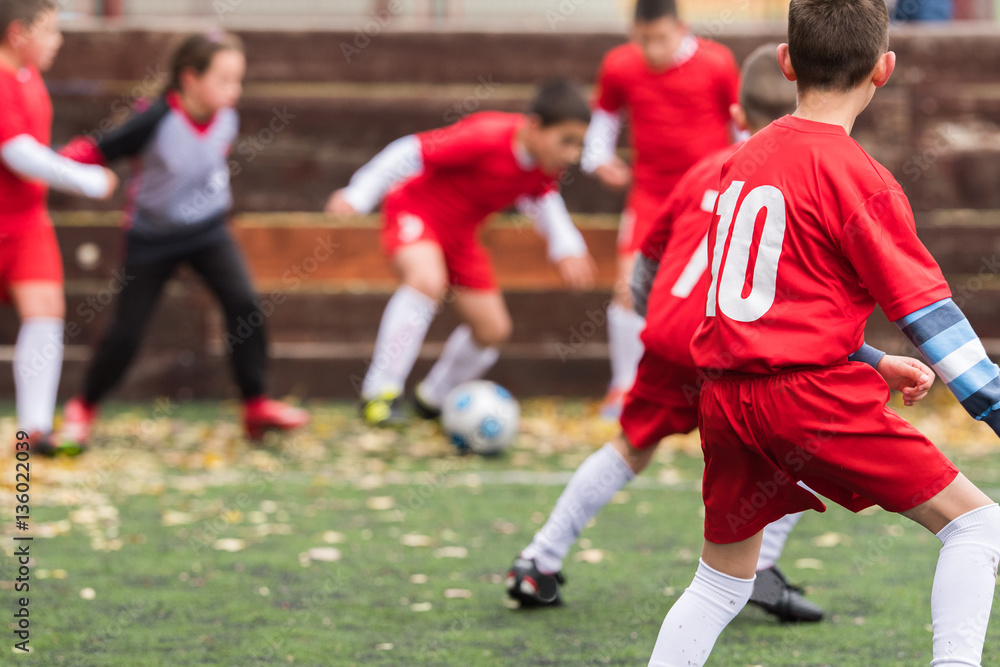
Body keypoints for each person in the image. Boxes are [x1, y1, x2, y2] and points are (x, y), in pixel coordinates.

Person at [505, 44, 937, 623]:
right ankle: (758, 569)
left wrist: (653, 316)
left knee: (630, 445)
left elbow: (649, 257)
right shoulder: (815, 170)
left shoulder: (709, 168)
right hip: (746, 347)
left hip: (674, 333)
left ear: (737, 115)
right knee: (796, 442)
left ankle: (539, 558)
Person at [648, 2, 1000, 664]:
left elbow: (761, 302)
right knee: (980, 525)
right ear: (884, 70)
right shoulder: (858, 177)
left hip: (725, 396)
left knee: (720, 581)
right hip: (804, 399)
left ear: (787, 61)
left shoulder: (743, 158)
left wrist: (867, 357)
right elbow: (930, 314)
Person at [57, 33, 309, 447]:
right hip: (152, 236)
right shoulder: (153, 120)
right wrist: (47, 165)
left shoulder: (226, 115)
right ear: (190, 79)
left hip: (208, 230)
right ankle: (83, 407)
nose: (235, 90)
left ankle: (256, 404)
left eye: (238, 80)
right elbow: (95, 151)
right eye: (225, 79)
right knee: (127, 330)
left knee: (244, 304)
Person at [326, 80, 597, 427]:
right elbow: (411, 150)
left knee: (493, 329)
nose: (573, 154)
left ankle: (432, 399)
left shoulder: (543, 166)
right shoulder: (486, 136)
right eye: (567, 141)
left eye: (580, 144)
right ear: (534, 126)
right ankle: (379, 393)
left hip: (461, 235)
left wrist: (566, 247)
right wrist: (360, 192)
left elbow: (541, 201)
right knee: (427, 280)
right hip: (416, 210)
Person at [581, 0, 741, 419]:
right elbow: (603, 122)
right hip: (650, 197)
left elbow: (743, 127)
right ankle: (624, 387)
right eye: (643, 39)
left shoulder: (718, 63)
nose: (652, 49)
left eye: (661, 39)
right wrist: (599, 159)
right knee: (628, 289)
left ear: (682, 28)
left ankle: (715, 387)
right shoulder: (620, 65)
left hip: (709, 198)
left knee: (716, 293)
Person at [0, 0, 118, 456]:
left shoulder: (29, 78)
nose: (58, 40)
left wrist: (74, 158)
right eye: (48, 30)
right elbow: (15, 151)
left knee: (45, 311)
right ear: (17, 34)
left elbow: (33, 147)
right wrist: (84, 180)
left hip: (28, 223)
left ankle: (33, 430)